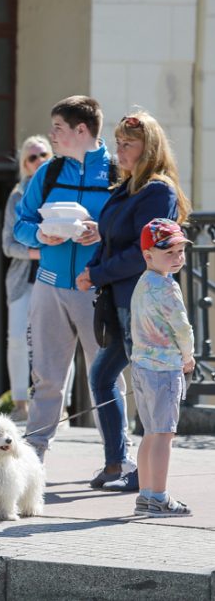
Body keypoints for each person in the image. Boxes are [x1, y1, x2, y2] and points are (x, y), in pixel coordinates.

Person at [76, 111, 192, 491]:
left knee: (142, 385)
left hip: (142, 302)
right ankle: (117, 462)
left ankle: (144, 479)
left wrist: (98, 273)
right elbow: (111, 240)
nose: (119, 150)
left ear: (149, 148)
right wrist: (91, 269)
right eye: (118, 142)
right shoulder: (125, 189)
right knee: (104, 376)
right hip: (119, 299)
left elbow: (142, 253)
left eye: (128, 144)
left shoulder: (158, 191)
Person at [14, 95, 128, 472]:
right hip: (48, 286)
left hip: (97, 289)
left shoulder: (117, 173)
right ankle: (33, 461)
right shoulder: (47, 174)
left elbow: (130, 230)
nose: (52, 135)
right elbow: (21, 224)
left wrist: (102, 234)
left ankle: (117, 458)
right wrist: (40, 235)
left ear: (81, 130)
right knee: (46, 378)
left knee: (106, 376)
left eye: (58, 128)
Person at [129, 218, 194, 517]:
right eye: (169, 252)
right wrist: (188, 356)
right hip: (165, 368)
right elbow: (182, 328)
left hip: (141, 366)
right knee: (164, 435)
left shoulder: (143, 283)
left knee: (151, 433)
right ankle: (159, 496)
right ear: (148, 254)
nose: (177, 257)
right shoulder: (167, 287)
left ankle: (145, 494)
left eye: (180, 251)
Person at [2, 136, 49, 422]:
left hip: (55, 278)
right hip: (23, 280)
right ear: (24, 165)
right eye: (31, 158)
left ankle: (59, 403)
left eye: (43, 155)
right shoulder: (17, 196)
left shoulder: (60, 191)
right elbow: (7, 245)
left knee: (57, 343)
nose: (38, 161)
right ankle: (21, 402)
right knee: (18, 339)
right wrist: (38, 252)